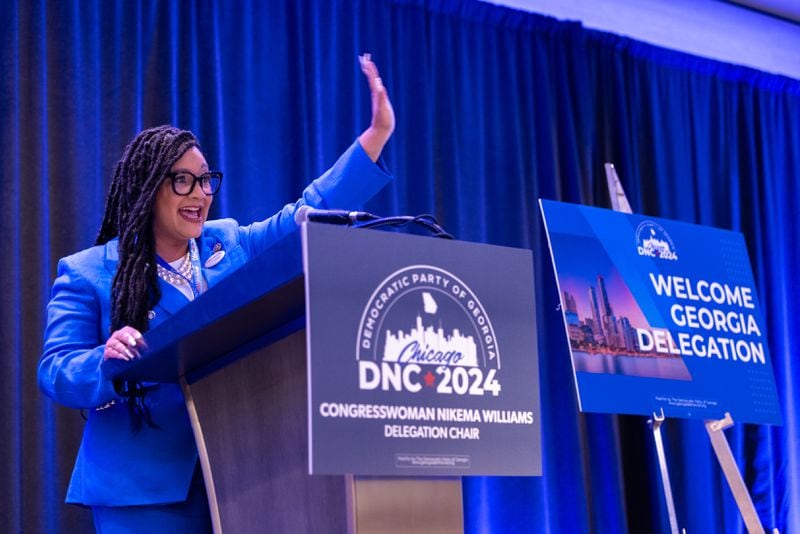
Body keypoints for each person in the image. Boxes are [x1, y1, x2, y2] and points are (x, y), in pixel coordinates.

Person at [38, 54, 394, 532]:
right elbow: (55, 369)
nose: (200, 193)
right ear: (147, 188)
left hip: (241, 472)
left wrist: (374, 138)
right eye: (182, 180)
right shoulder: (86, 272)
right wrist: (105, 358)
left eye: (205, 179)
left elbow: (304, 214)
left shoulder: (229, 242)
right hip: (142, 490)